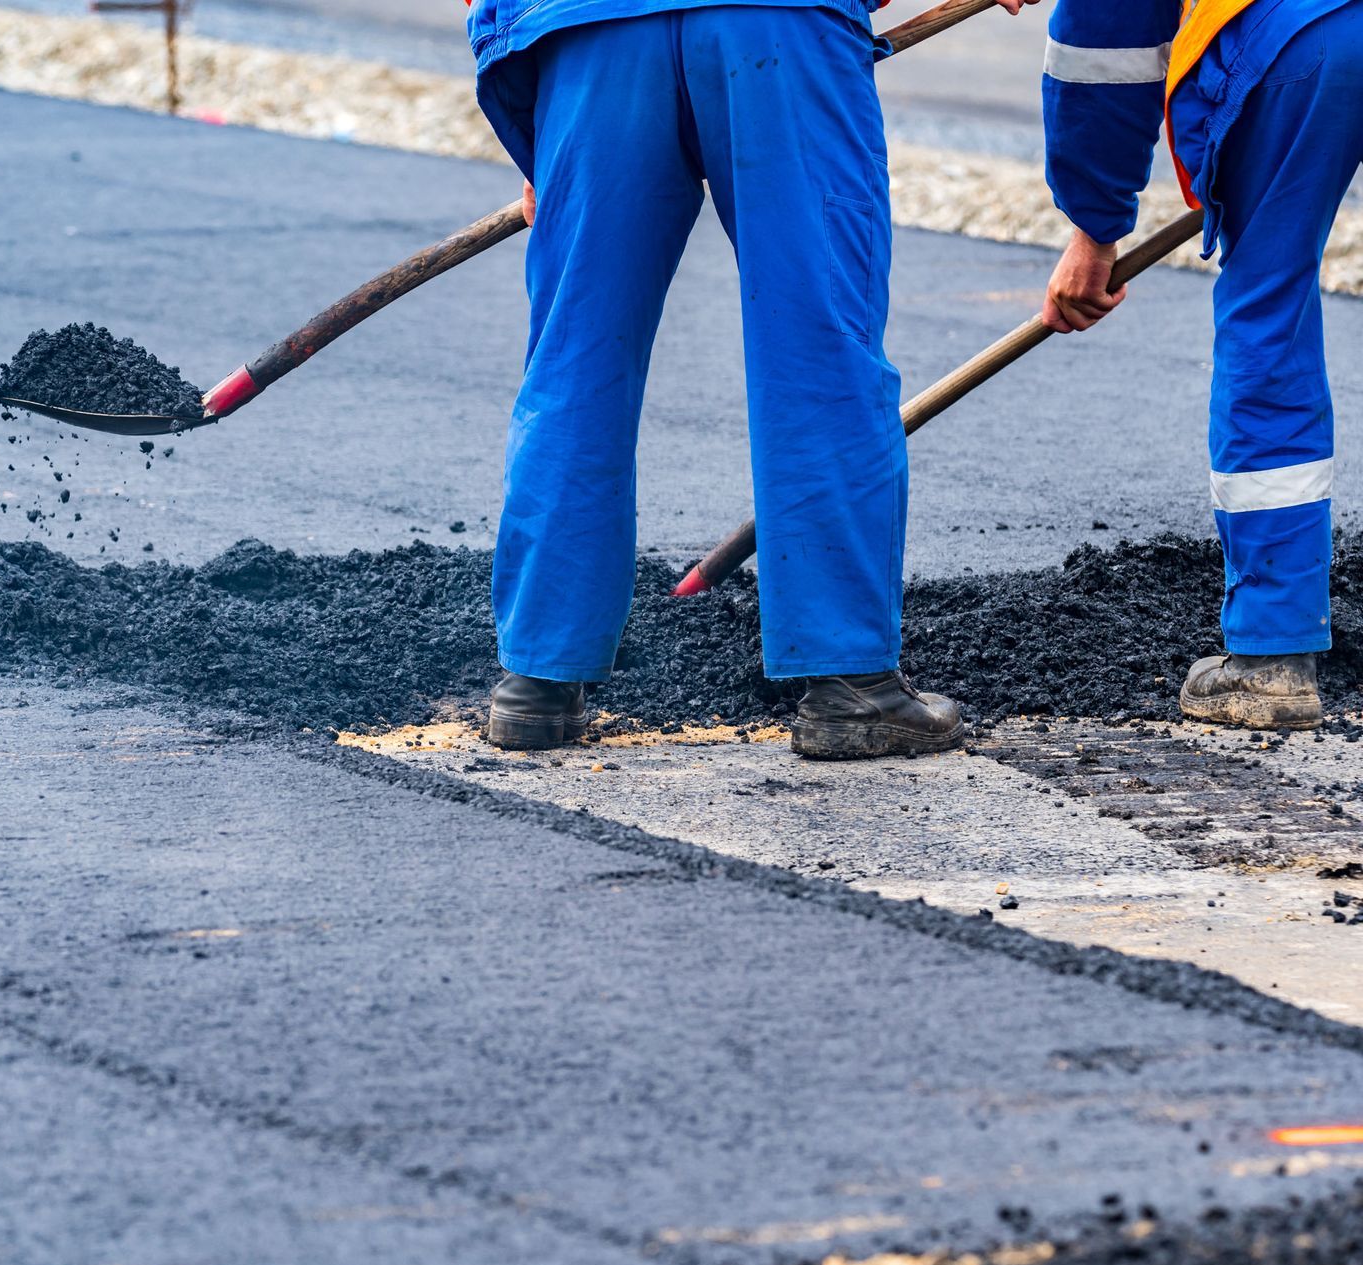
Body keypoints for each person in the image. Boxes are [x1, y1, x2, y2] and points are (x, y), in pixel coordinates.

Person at [465, 0, 1039, 759]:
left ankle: (536, 681)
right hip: (776, 27)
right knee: (818, 346)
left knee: (576, 359)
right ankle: (850, 684)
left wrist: (536, 134)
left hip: (590, 35)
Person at [1041, 0, 1362, 730]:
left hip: (1305, 31)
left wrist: (1095, 227)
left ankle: (1272, 658)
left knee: (1268, 303)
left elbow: (1105, 43)